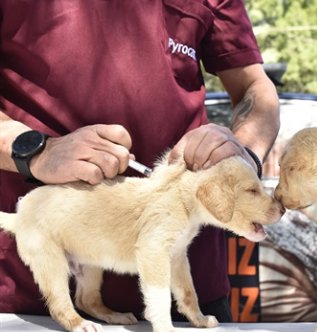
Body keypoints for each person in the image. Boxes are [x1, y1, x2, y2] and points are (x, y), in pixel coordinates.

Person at [0, 0, 279, 322]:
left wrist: (242, 154)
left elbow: (254, 87)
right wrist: (34, 150)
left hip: (192, 300)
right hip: (28, 300)